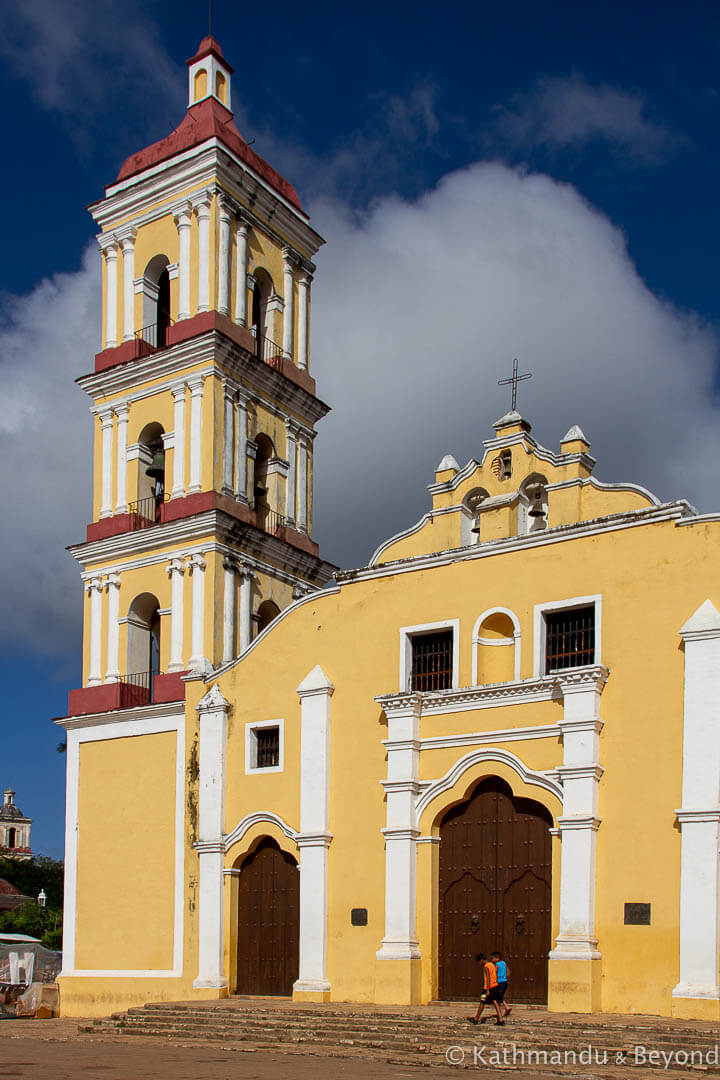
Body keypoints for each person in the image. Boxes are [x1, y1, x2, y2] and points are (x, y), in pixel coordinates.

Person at [467, 954, 505, 1026]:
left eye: (479, 961)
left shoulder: (486, 966)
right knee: (495, 1002)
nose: (479, 963)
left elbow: (488, 978)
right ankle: (500, 1019)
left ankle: (476, 1019)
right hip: (495, 986)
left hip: (488, 988)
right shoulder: (492, 964)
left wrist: (487, 990)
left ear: (482, 960)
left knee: (482, 1002)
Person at [491, 950, 511, 1018]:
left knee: (497, 998)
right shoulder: (504, 963)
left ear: (497, 958)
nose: (492, 960)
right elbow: (508, 972)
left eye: (493, 958)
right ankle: (506, 1007)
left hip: (499, 983)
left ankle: (501, 1012)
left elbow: (494, 973)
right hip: (505, 982)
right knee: (500, 996)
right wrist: (504, 977)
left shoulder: (497, 965)